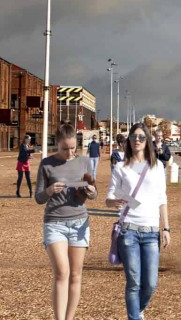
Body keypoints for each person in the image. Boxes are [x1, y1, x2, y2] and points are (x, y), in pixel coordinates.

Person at [106, 123, 170, 320]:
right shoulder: (120, 167)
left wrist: (166, 228)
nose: (137, 140)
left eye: (142, 137)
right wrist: (114, 201)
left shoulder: (157, 166)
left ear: (148, 140)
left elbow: (162, 198)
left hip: (151, 231)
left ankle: (138, 310)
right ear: (129, 140)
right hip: (128, 231)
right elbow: (109, 197)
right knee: (133, 282)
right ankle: (134, 317)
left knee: (151, 283)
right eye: (134, 137)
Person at [36, 124, 98, 320]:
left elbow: (94, 193)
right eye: (65, 148)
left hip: (79, 222)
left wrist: (91, 191)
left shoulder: (84, 162)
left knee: (76, 275)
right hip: (55, 223)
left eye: (73, 148)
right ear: (57, 144)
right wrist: (49, 191)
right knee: (62, 273)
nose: (69, 152)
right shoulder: (46, 164)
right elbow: (38, 197)